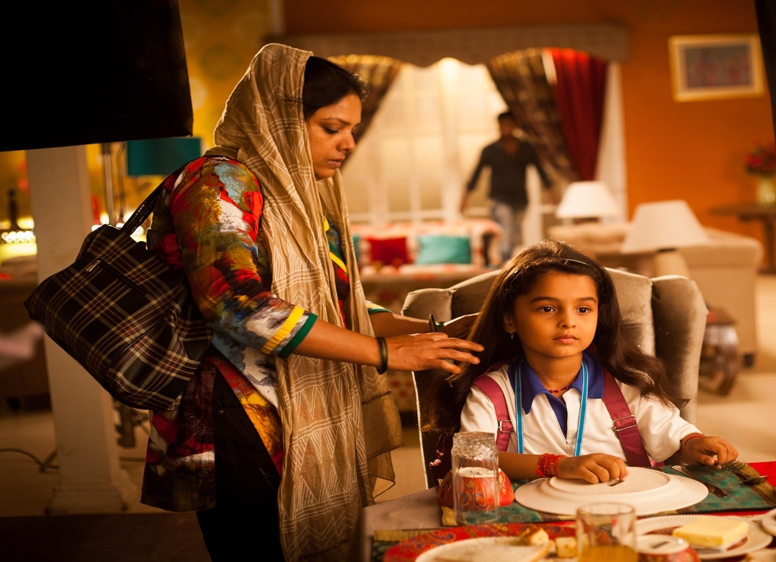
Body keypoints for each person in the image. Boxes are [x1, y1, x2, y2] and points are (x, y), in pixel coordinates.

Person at [141, 44, 482, 561]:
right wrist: (386, 354)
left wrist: (431, 331)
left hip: (300, 402)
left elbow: (337, 308)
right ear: (277, 119)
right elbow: (233, 303)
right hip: (236, 411)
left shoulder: (302, 198)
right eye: (331, 127)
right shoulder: (218, 183)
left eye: (352, 130)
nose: (348, 144)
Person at [428, 240, 737, 483]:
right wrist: (559, 465)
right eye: (547, 309)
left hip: (625, 513)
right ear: (510, 319)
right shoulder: (491, 393)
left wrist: (695, 444)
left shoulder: (626, 382)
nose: (568, 321)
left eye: (583, 309)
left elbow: (675, 435)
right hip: (533, 526)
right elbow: (473, 460)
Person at [461, 111, 555, 262]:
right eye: (502, 124)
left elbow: (541, 171)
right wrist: (464, 199)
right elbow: (475, 175)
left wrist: (551, 193)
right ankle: (504, 264)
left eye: (509, 124)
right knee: (506, 230)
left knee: (514, 234)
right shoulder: (490, 150)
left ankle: (503, 261)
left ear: (515, 125)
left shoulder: (526, 148)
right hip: (499, 198)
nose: (505, 127)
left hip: (520, 198)